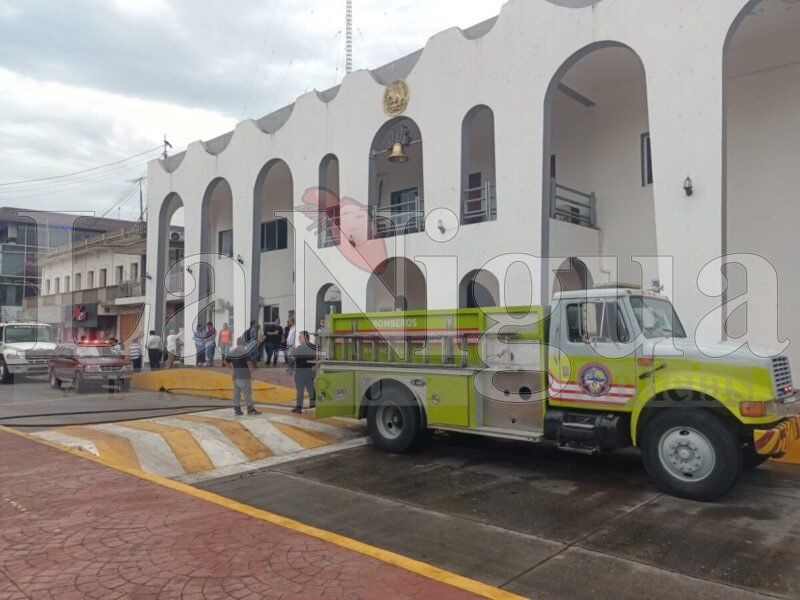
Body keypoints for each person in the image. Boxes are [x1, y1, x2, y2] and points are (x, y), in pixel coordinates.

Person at [227, 336, 259, 416]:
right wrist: (252, 373)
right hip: (244, 375)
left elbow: (225, 360)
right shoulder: (244, 351)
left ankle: (237, 410)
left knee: (236, 393)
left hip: (235, 375)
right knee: (247, 393)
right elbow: (249, 363)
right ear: (244, 343)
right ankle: (250, 409)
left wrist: (231, 369)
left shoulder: (232, 352)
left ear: (237, 343)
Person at [291, 331, 317, 413]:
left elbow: (293, 358)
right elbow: (320, 359)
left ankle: (299, 407)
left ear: (305, 338)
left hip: (301, 372)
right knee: (311, 388)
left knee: (300, 390)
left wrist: (293, 351)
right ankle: (313, 404)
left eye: (300, 337)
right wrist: (315, 367)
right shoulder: (314, 347)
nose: (299, 339)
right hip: (310, 371)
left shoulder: (300, 347)